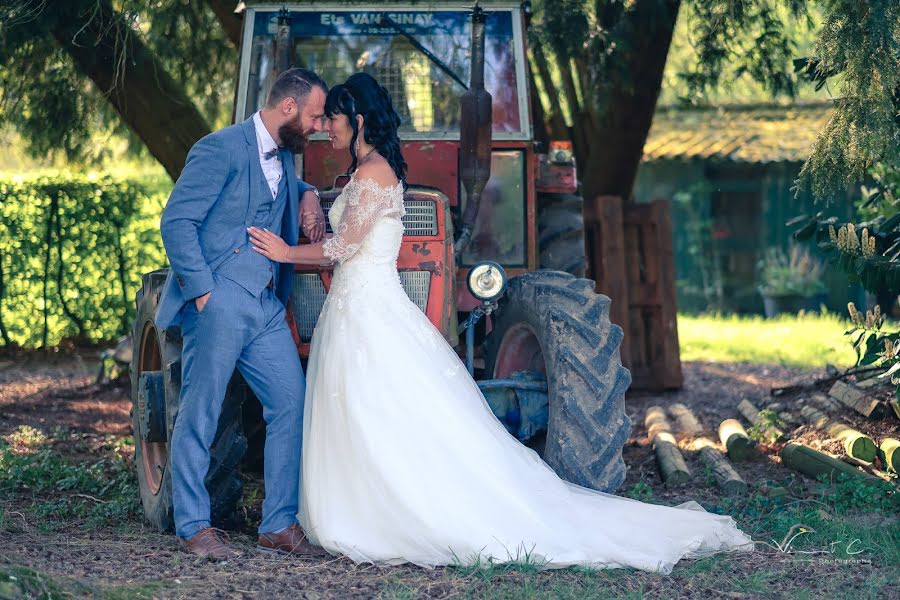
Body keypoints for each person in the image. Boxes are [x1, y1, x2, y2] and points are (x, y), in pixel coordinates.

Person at [248, 72, 754, 573]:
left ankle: (396, 514)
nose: (324, 128)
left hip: (367, 310)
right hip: (353, 309)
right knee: (360, 412)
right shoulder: (362, 175)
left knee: (383, 412)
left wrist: (286, 251)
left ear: (356, 121)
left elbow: (346, 246)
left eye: (331, 118)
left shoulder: (374, 173)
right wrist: (311, 199)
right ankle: (358, 509)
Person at [158, 67, 328, 559]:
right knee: (201, 410)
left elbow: (280, 190)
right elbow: (177, 221)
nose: (319, 125)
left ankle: (277, 524)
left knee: (290, 401)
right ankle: (193, 526)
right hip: (220, 297)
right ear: (289, 108)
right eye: (315, 115)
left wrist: (310, 193)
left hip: (266, 304)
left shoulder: (288, 157)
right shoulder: (219, 147)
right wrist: (204, 292)